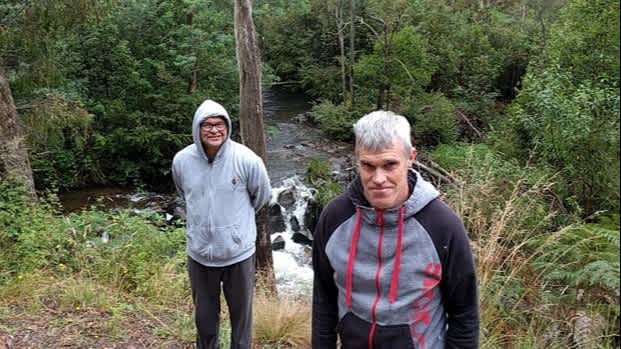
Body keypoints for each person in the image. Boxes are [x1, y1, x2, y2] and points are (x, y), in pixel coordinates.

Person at [312, 111, 479, 349]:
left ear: (411, 157)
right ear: (357, 160)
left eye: (390, 165)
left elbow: (465, 314)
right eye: (368, 166)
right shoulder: (334, 218)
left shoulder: (442, 225)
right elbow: (323, 298)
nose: (378, 178)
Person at [172, 99, 271, 349]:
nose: (214, 130)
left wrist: (236, 231)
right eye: (207, 124)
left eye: (219, 124)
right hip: (200, 255)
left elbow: (261, 197)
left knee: (241, 321)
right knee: (205, 320)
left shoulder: (247, 160)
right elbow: (184, 195)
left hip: (238, 255)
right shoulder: (182, 161)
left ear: (227, 126)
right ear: (197, 128)